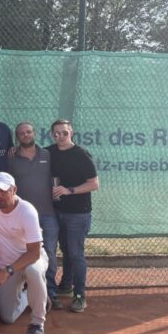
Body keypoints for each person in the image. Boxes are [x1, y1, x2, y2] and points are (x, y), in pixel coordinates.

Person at [0, 172, 49, 334]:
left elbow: (34, 253)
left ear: (14, 190)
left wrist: (7, 271)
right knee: (7, 317)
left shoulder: (27, 211)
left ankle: (37, 326)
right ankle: (34, 295)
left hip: (30, 260)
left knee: (33, 271)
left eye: (4, 191)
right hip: (7, 265)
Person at [47, 119, 99, 313]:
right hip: (57, 212)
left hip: (78, 214)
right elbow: (30, 154)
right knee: (65, 250)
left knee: (76, 254)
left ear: (71, 133)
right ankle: (66, 285)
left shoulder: (81, 155)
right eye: (56, 133)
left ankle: (79, 295)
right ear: (52, 135)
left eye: (64, 133)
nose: (60, 136)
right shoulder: (49, 152)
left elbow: (94, 184)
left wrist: (69, 190)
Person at [8, 121, 61, 308]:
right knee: (26, 255)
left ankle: (50, 292)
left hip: (48, 214)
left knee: (50, 254)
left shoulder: (48, 154)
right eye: (21, 133)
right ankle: (28, 291)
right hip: (24, 218)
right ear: (17, 137)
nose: (25, 135)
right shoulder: (12, 159)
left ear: (35, 133)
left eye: (29, 132)